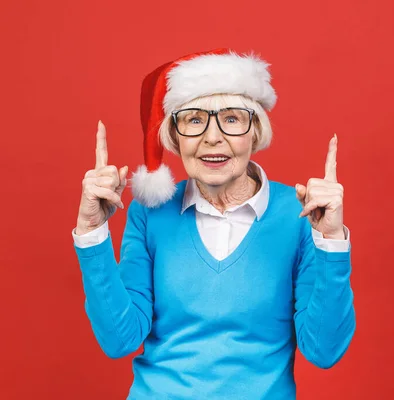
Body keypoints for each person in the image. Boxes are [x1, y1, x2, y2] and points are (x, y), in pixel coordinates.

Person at [72, 48, 356, 399]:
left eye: (232, 119)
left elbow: (324, 350)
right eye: (193, 120)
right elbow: (120, 339)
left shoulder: (299, 216)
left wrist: (330, 242)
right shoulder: (150, 213)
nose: (212, 137)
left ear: (255, 132)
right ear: (174, 137)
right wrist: (92, 234)